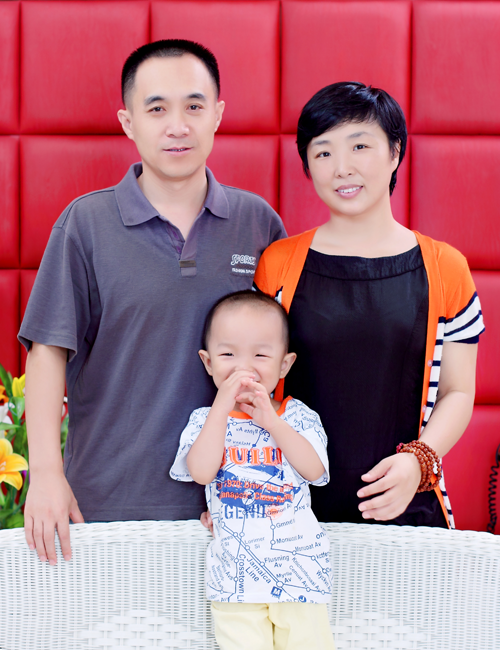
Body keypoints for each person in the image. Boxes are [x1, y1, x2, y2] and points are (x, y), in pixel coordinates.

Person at [19, 39, 285, 566]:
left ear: (217, 115)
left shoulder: (258, 224)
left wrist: (265, 482)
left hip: (232, 510)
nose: (177, 126)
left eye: (194, 106)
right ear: (128, 122)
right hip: (104, 505)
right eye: (157, 109)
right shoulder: (85, 225)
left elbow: (282, 362)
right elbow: (47, 353)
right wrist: (46, 474)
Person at [254, 82, 485, 529]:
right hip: (288, 514)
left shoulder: (445, 267)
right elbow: (252, 381)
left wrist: (419, 461)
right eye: (323, 152)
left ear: (395, 152)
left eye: (359, 146)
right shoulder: (278, 264)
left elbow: (458, 392)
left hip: (407, 508)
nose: (342, 168)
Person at [170, 290, 334, 650]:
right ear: (208, 362)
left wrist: (272, 423)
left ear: (284, 365)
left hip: (300, 575)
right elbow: (201, 472)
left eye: (260, 355)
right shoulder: (204, 420)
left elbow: (314, 470)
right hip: (235, 580)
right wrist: (220, 409)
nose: (243, 368)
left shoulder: (297, 416)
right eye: (228, 355)